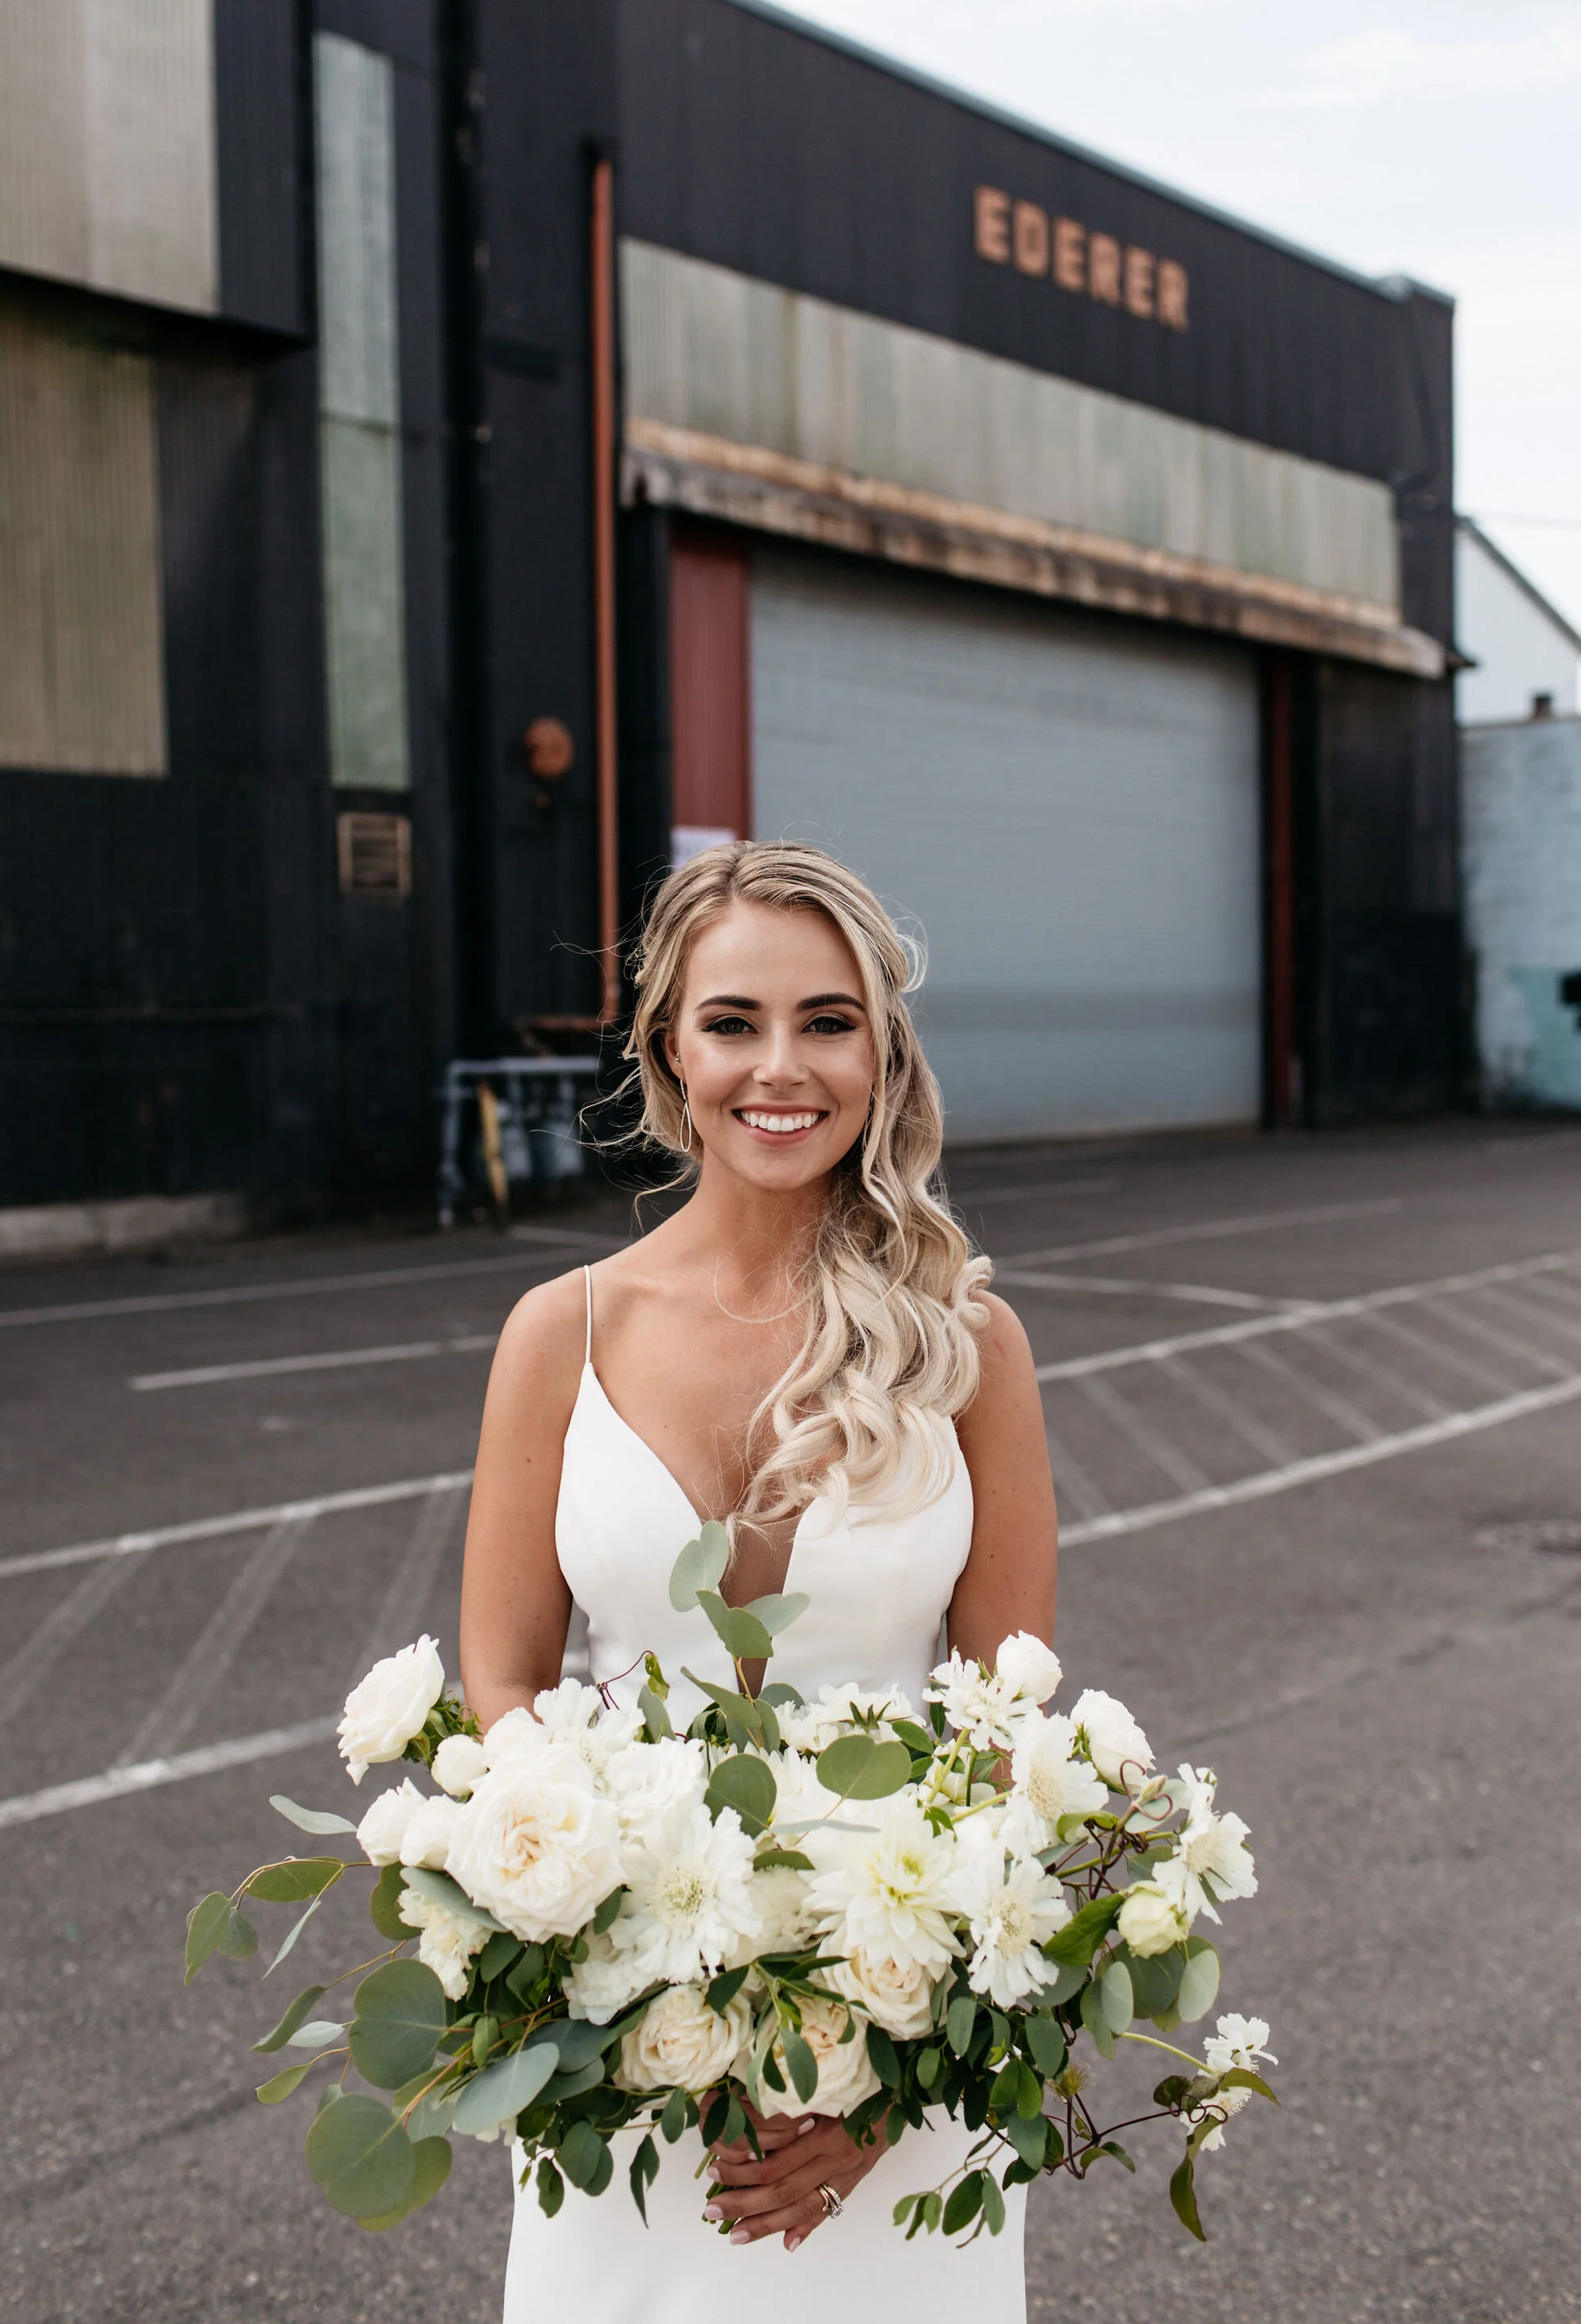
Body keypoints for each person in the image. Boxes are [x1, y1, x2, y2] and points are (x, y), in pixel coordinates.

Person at [459, 840, 1059, 2323]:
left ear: (882, 1050)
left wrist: (892, 2081)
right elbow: (505, 1682)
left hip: (893, 2073)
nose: (779, 1068)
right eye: (734, 1022)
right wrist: (594, 1961)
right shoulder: (559, 1331)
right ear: (668, 1046)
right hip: (621, 2059)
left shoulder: (970, 1347)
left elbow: (1009, 1727)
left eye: (828, 1020)